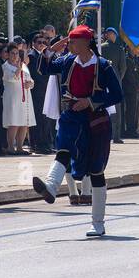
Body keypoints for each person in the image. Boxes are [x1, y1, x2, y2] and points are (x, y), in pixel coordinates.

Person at [32, 26, 125, 237]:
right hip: (72, 116)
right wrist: (50, 50)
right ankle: (51, 186)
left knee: (96, 168)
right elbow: (45, 69)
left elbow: (117, 95)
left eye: (73, 42)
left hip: (95, 120)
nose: (69, 45)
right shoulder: (66, 61)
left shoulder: (103, 66)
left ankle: (98, 223)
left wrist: (91, 102)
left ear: (85, 43)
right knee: (64, 147)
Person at [2, 43, 36, 154]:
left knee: (24, 122)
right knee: (13, 122)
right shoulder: (5, 67)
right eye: (12, 53)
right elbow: (13, 78)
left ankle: (20, 147)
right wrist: (18, 68)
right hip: (13, 97)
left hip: (25, 97)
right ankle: (11, 146)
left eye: (17, 53)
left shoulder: (23, 66)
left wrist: (30, 83)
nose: (15, 55)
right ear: (7, 54)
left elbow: (31, 80)